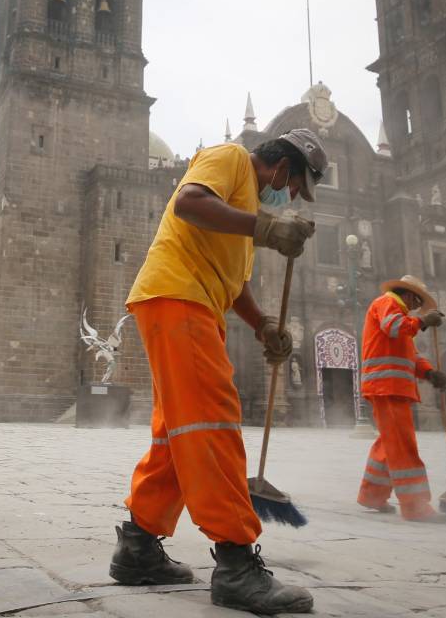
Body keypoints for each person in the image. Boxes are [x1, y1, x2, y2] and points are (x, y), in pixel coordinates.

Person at [109, 130, 327, 614]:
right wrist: (267, 227)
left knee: (178, 433)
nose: (290, 198)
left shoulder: (244, 203)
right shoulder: (230, 159)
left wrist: (264, 325)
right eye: (295, 188)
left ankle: (137, 548)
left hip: (190, 303)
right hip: (178, 297)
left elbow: (234, 285)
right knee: (214, 424)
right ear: (285, 168)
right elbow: (188, 203)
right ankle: (235, 565)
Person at [356, 275, 446, 523]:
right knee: (403, 445)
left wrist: (429, 372)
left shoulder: (400, 313)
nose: (415, 309)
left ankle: (372, 495)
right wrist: (421, 321)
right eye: (416, 303)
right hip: (387, 386)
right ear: (408, 295)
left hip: (391, 386)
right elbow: (394, 327)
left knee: (389, 444)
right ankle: (415, 505)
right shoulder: (387, 303)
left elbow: (411, 354)